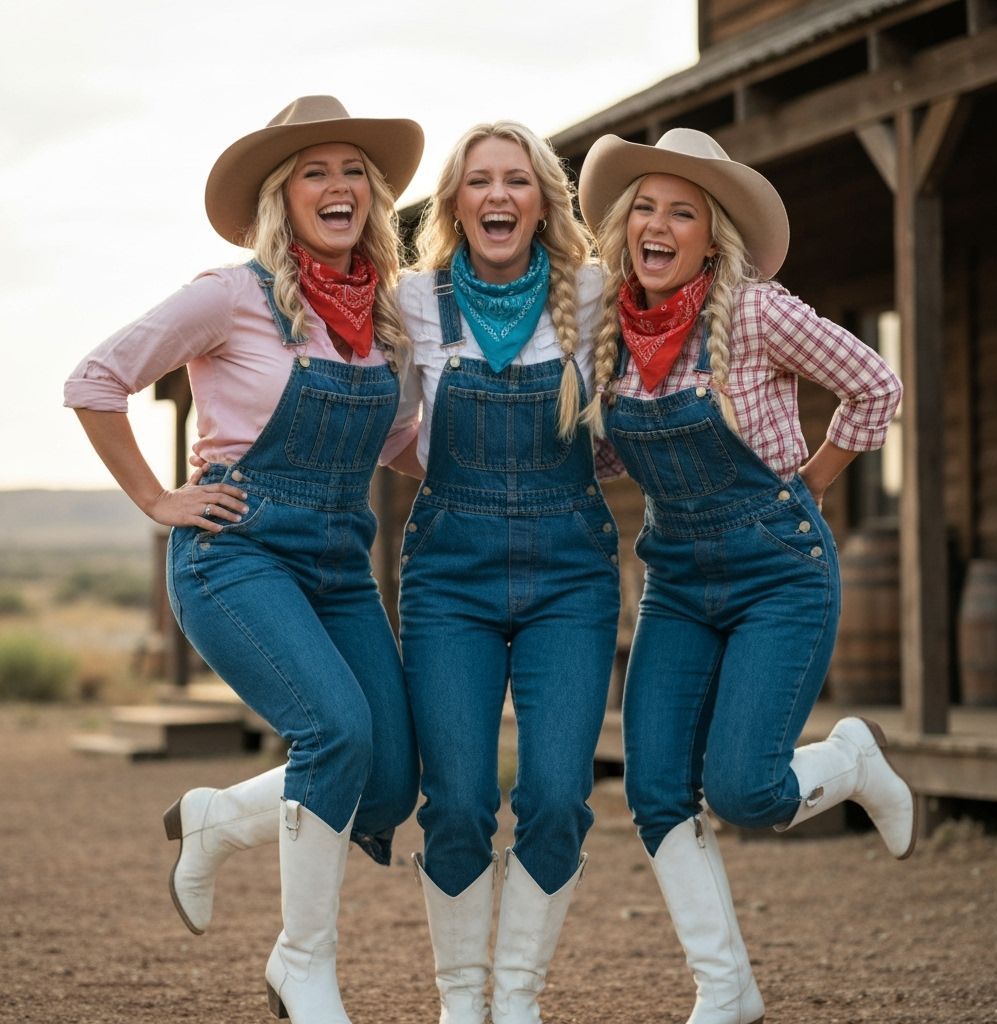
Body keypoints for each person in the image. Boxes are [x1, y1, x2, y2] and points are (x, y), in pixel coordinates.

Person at [64, 95, 424, 1024]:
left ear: (373, 196)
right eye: (315, 171)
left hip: (341, 564)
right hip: (238, 553)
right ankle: (300, 966)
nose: (337, 185)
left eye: (353, 170)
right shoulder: (230, 295)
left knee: (388, 783)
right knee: (336, 734)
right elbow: (95, 379)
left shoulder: (383, 321)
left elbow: (392, 445)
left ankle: (219, 819)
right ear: (282, 197)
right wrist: (156, 498)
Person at [576, 128, 916, 1024]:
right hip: (679, 581)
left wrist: (812, 481)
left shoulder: (759, 312)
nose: (658, 223)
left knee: (745, 791)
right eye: (644, 206)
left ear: (711, 237)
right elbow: (610, 454)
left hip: (778, 572)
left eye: (681, 211)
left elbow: (876, 386)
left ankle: (850, 759)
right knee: (653, 792)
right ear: (624, 226)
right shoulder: (607, 329)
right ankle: (726, 988)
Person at [389, 121, 620, 1024]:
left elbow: (633, 400)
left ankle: (517, 998)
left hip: (572, 574)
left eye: (516, 181)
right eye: (478, 181)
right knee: (455, 802)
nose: (497, 196)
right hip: (451, 575)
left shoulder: (593, 293)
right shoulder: (416, 302)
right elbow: (398, 435)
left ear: (542, 201)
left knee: (559, 797)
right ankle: (460, 1000)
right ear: (454, 203)